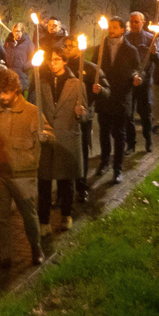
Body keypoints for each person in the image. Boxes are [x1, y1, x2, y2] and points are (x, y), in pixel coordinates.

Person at [0, 69, 53, 270]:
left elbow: (49, 134)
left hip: (23, 174)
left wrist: (46, 136)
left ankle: (36, 248)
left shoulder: (31, 112)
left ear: (16, 90)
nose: (2, 97)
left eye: (6, 92)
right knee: (1, 218)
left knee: (29, 215)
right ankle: (5, 254)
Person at [37, 49, 93, 235]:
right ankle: (43, 221)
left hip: (67, 137)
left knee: (65, 181)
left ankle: (66, 215)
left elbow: (85, 117)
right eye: (50, 60)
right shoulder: (41, 82)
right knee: (43, 182)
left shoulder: (76, 84)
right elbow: (36, 108)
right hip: (46, 138)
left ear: (65, 62)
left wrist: (81, 114)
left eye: (56, 60)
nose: (52, 63)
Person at [58, 36, 110, 203]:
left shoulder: (90, 68)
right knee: (62, 154)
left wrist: (99, 90)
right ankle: (61, 192)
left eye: (71, 46)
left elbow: (107, 92)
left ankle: (81, 187)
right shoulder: (59, 68)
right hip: (62, 118)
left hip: (83, 117)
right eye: (65, 45)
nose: (67, 48)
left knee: (81, 153)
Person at [94, 17, 140, 184]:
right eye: (110, 27)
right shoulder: (100, 48)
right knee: (104, 132)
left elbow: (137, 68)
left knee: (119, 134)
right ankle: (104, 161)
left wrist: (136, 77)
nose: (111, 30)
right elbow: (94, 68)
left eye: (115, 27)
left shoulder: (130, 50)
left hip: (121, 97)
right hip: (104, 97)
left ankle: (117, 168)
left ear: (122, 30)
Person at [125, 12, 159, 154]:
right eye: (132, 21)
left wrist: (155, 53)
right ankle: (131, 144)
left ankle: (148, 140)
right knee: (128, 113)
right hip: (129, 82)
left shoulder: (151, 39)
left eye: (137, 22)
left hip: (144, 82)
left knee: (145, 113)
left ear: (143, 22)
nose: (134, 24)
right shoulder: (125, 38)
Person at [5, 23, 36, 93]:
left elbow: (33, 59)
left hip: (21, 76)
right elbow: (4, 53)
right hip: (10, 76)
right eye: (15, 31)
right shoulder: (9, 42)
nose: (16, 33)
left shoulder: (28, 44)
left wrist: (25, 66)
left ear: (22, 32)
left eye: (18, 31)